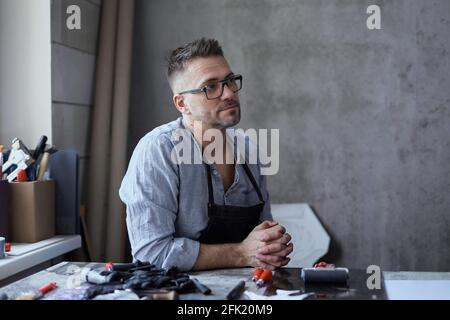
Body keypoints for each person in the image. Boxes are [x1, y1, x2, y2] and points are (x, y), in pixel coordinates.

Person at [119, 38, 293, 271]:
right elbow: (151, 255)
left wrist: (272, 246)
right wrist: (241, 253)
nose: (229, 92)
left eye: (230, 80)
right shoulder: (158, 151)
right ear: (182, 103)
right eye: (210, 87)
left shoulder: (249, 148)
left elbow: (262, 235)